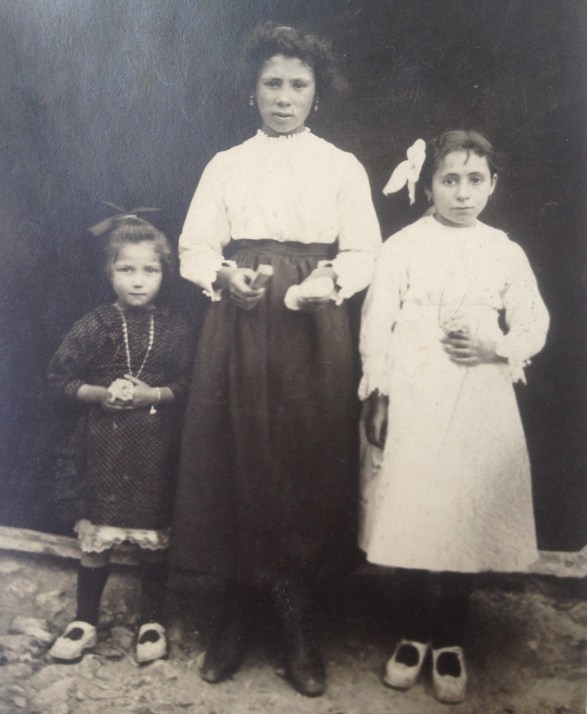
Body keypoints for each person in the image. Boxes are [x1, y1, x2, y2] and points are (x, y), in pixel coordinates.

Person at [172, 22, 381, 697]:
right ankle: (235, 615)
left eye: (297, 85)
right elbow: (195, 246)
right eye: (272, 84)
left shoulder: (341, 166)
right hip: (240, 321)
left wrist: (328, 281)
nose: (283, 97)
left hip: (312, 329)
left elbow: (364, 251)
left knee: (304, 459)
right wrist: (224, 275)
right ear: (253, 91)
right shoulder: (226, 164)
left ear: (316, 94)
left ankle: (296, 621)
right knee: (238, 454)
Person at [359, 130, 549, 704]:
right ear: (428, 187)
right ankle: (413, 633)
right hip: (416, 397)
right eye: (449, 180)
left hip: (476, 400)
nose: (462, 193)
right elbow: (376, 323)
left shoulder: (504, 251)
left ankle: (449, 638)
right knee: (416, 509)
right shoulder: (403, 247)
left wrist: (497, 348)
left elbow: (533, 322)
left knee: (462, 515)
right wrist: (379, 393)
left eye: (475, 180)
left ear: (492, 186)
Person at [47, 214, 193, 664]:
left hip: (154, 451)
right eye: (126, 269)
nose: (138, 280)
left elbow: (187, 384)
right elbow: (59, 379)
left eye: (150, 270)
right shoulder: (95, 324)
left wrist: (154, 394)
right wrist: (100, 394)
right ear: (109, 271)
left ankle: (151, 621)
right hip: (101, 449)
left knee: (153, 541)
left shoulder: (176, 328)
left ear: (165, 273)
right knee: (97, 538)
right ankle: (85, 621)